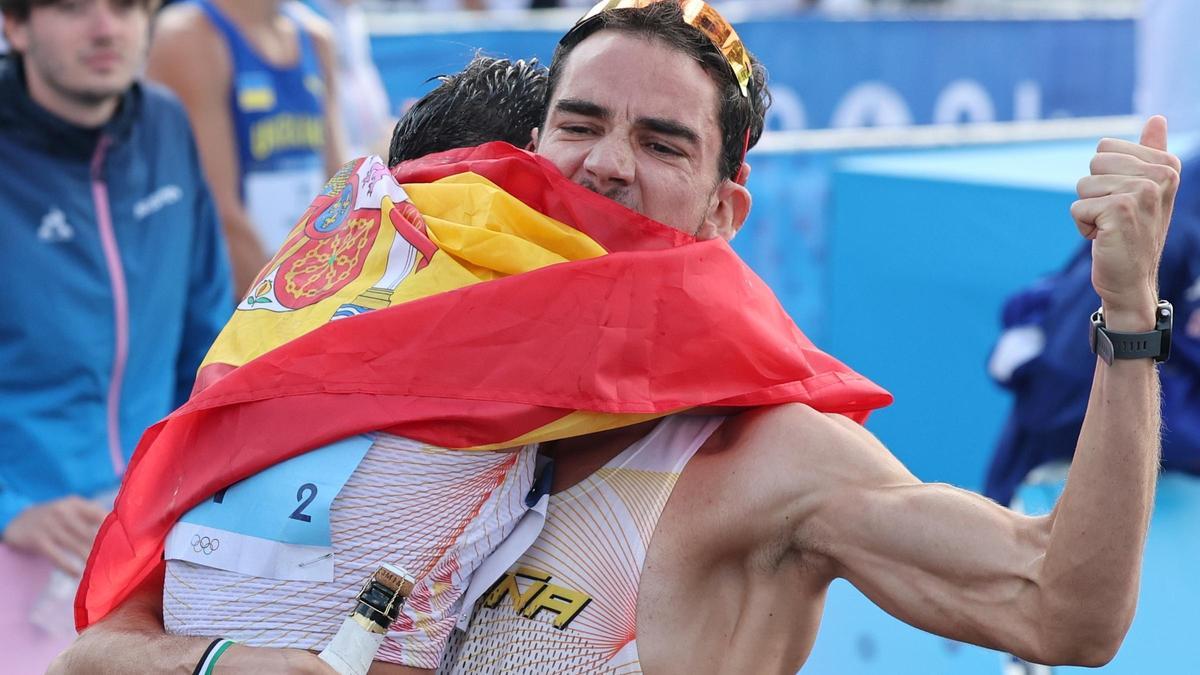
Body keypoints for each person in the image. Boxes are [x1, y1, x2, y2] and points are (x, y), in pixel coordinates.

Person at [55, 1, 1178, 674]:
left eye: (662, 142)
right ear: (530, 154)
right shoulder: (406, 385)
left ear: (725, 209)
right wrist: (219, 661)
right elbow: (97, 648)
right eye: (580, 125)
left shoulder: (768, 454)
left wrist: (1127, 328)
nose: (606, 164)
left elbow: (1061, 610)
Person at [0, 0, 231, 672]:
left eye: (126, 6)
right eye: (73, 7)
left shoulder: (163, 120)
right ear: (14, 25)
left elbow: (207, 330)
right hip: (24, 537)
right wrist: (8, 501)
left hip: (148, 526)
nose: (106, 28)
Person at [146, 0, 347, 295]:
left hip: (303, 286)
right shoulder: (188, 37)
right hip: (238, 305)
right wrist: (286, 311)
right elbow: (220, 215)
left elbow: (340, 189)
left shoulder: (317, 38)